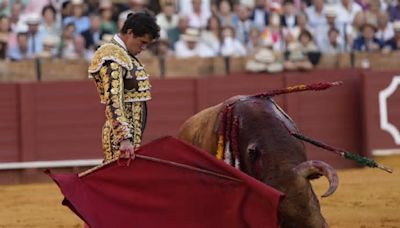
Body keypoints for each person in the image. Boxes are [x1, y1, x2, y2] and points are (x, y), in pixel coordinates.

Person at [88, 12, 160, 161]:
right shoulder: (112, 56)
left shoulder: (123, 55)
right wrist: (123, 139)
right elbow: (113, 101)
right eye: (142, 42)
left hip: (130, 137)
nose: (144, 48)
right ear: (130, 33)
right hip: (120, 140)